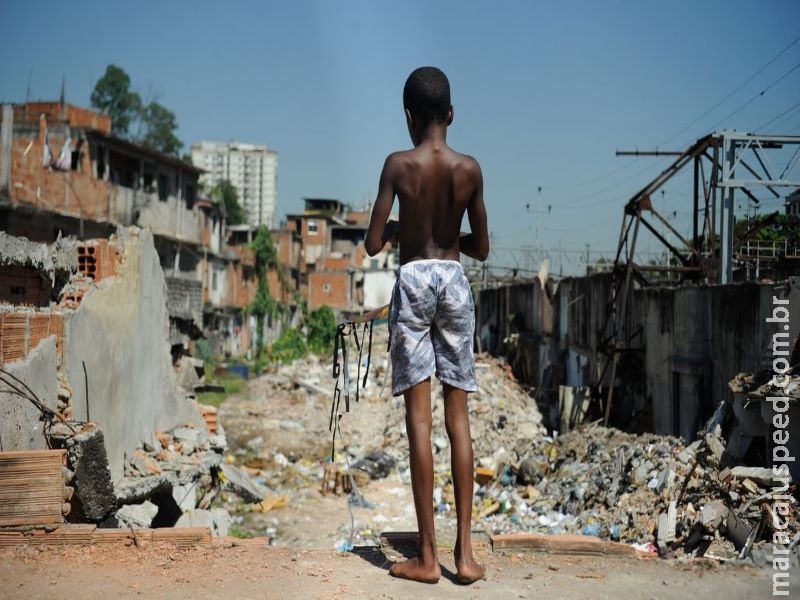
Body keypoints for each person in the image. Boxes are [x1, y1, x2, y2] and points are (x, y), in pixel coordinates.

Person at [365, 66, 490, 585]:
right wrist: (448, 228)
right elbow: (481, 247)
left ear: (409, 116)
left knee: (419, 419)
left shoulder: (398, 165)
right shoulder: (470, 169)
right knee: (457, 418)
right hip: (455, 280)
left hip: (414, 280)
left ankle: (425, 558)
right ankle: (463, 555)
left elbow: (373, 244)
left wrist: (399, 229)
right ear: (452, 115)